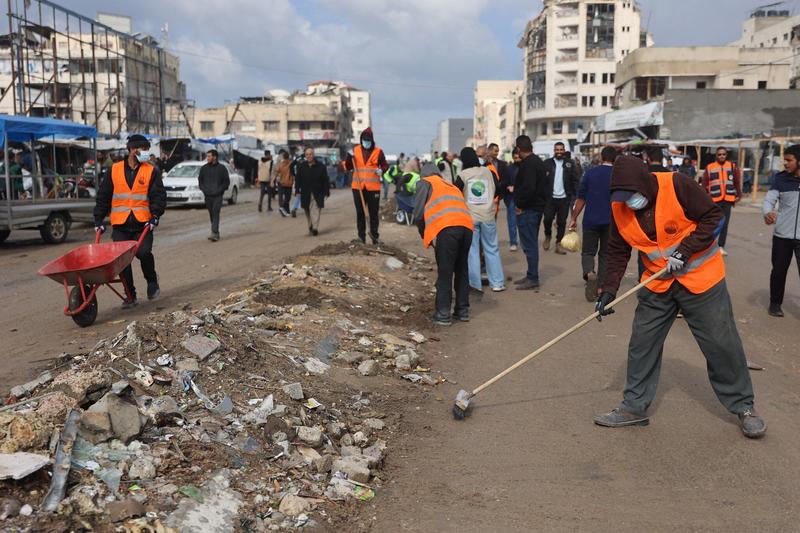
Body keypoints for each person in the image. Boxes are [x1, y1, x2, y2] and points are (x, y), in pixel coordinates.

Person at [593, 155, 766, 439]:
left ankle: (744, 407)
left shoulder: (677, 185)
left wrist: (685, 250)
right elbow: (617, 250)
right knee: (642, 343)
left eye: (633, 195)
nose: (629, 201)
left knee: (721, 343)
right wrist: (608, 289)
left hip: (701, 280)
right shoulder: (620, 206)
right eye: (623, 197)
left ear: (645, 185)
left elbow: (713, 216)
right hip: (657, 283)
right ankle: (633, 408)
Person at [93, 134, 165, 307]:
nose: (147, 153)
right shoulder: (115, 170)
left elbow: (158, 196)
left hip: (143, 223)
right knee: (122, 261)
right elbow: (104, 196)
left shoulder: (151, 170)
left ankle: (152, 281)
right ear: (133, 150)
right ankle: (130, 294)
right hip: (120, 224)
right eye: (144, 149)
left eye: (148, 149)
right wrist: (98, 219)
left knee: (143, 253)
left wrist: (155, 215)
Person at [412, 163, 474, 326]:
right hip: (467, 227)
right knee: (461, 269)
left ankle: (443, 314)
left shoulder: (425, 182)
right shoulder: (449, 185)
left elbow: (418, 214)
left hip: (448, 229)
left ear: (423, 174)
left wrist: (424, 233)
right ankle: (462, 311)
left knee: (445, 272)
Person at [569, 146, 617, 302]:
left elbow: (581, 199)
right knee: (605, 254)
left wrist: (574, 217)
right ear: (615, 159)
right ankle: (601, 287)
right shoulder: (618, 175)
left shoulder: (590, 173)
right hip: (611, 221)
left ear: (601, 158)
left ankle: (590, 273)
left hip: (591, 220)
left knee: (588, 252)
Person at [456, 147, 505, 292]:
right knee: (492, 248)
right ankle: (497, 283)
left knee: (472, 251)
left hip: (470, 218)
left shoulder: (463, 175)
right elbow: (498, 190)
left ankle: (474, 284)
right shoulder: (489, 172)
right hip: (488, 216)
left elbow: (456, 194)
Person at [762, 144, 800, 317]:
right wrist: (767, 212)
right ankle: (775, 304)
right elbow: (769, 200)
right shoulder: (780, 179)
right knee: (778, 271)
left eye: (789, 160)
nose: (785, 163)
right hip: (782, 236)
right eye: (785, 160)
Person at [513, 135, 550, 290]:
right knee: (530, 243)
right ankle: (530, 274)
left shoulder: (528, 164)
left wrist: (520, 204)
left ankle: (533, 277)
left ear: (519, 149)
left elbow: (529, 188)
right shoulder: (537, 162)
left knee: (529, 244)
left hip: (529, 209)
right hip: (535, 207)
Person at [345, 128, 388, 244]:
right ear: (361, 140)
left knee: (373, 213)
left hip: (373, 188)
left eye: (368, 140)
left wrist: (381, 170)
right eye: (364, 140)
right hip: (358, 187)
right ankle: (361, 237)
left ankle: (375, 236)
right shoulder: (355, 151)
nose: (366, 142)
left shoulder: (378, 152)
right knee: (360, 213)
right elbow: (348, 167)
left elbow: (385, 165)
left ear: (372, 140)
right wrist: (349, 157)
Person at [702, 147, 741, 256]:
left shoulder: (732, 167)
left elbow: (736, 182)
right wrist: (705, 197)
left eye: (723, 154)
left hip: (728, 199)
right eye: (719, 154)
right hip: (714, 199)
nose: (722, 156)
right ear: (716, 155)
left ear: (726, 155)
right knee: (713, 223)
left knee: (724, 224)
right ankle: (708, 245)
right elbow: (704, 183)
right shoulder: (710, 167)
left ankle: (720, 246)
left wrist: (739, 194)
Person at [542, 142, 578, 254]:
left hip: (564, 199)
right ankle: (548, 236)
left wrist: (575, 196)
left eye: (561, 150)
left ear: (564, 150)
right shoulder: (547, 163)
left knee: (562, 222)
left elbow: (575, 180)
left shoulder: (570, 163)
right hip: (550, 198)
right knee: (547, 219)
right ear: (554, 150)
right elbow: (541, 180)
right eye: (557, 150)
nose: (559, 152)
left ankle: (559, 244)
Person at [295, 146, 330, 236]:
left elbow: (325, 180)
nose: (309, 156)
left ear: (313, 155)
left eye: (310, 154)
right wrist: (297, 190)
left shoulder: (321, 167)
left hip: (318, 192)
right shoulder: (301, 166)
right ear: (305, 156)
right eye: (307, 154)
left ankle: (315, 228)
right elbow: (298, 179)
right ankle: (310, 224)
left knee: (316, 209)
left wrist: (327, 191)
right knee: (307, 210)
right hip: (305, 192)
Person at [198, 149, 230, 242]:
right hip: (207, 196)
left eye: (209, 156)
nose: (207, 158)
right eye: (207, 156)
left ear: (214, 157)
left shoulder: (222, 168)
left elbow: (226, 182)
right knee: (211, 214)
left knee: (216, 212)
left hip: (218, 196)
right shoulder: (204, 168)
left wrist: (219, 190)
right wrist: (204, 189)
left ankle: (214, 233)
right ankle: (216, 232)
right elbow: (200, 181)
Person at [503, 148, 521, 251]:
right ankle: (513, 242)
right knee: (512, 222)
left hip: (524, 199)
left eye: (518, 155)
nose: (516, 157)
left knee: (524, 222)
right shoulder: (509, 168)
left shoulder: (527, 167)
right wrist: (508, 187)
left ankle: (524, 242)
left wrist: (517, 188)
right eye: (515, 155)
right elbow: (504, 182)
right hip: (511, 199)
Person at [274, 150, 293, 216]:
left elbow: (276, 172)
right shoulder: (291, 164)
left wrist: (272, 181)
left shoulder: (280, 164)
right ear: (288, 157)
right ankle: (282, 208)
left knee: (283, 197)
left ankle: (287, 211)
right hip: (288, 183)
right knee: (287, 198)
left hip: (281, 183)